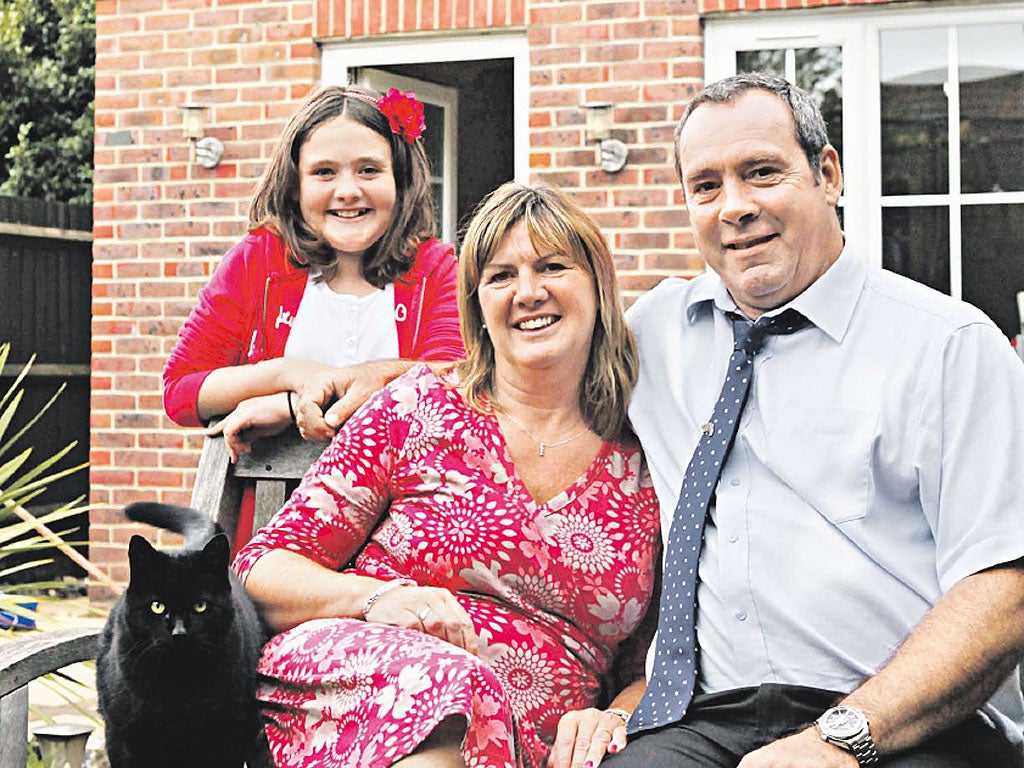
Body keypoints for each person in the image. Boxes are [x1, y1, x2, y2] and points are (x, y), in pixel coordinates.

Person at [603, 72, 1024, 768]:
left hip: (910, 720)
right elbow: (517, 374)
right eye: (706, 186)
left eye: (761, 172)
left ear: (827, 173)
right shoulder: (654, 333)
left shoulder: (947, 345)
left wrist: (842, 738)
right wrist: (374, 374)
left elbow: (1004, 584)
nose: (734, 207)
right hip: (704, 720)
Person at [232, 182, 662, 768]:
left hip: (534, 738)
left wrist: (615, 716)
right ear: (477, 306)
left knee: (470, 695)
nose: (528, 292)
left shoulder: (648, 458)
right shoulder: (419, 408)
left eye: (553, 266)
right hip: (360, 684)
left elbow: (653, 664)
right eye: (501, 276)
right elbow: (261, 569)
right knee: (458, 687)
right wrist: (377, 597)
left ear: (597, 287)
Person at [162, 85, 464, 461]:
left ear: (401, 180)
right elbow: (181, 391)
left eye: (369, 170)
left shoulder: (435, 269)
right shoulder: (258, 260)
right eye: (324, 172)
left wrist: (296, 407)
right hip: (272, 515)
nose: (348, 190)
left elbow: (457, 382)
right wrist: (290, 376)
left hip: (407, 514)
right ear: (295, 187)